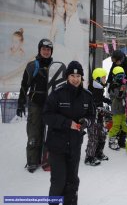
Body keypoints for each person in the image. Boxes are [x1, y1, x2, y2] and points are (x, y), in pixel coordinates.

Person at [43, 60, 95, 205]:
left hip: (75, 144)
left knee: (72, 181)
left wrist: (86, 122)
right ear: (67, 76)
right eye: (72, 75)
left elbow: (92, 115)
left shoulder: (87, 95)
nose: (75, 79)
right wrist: (67, 123)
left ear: (82, 78)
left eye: (78, 76)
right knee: (59, 181)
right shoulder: (57, 93)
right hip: (57, 145)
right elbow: (47, 115)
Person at [16, 38, 53, 173]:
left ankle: (46, 158)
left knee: (49, 132)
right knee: (34, 132)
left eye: (48, 50)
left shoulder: (54, 66)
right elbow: (24, 85)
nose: (46, 52)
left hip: (50, 105)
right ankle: (32, 160)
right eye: (43, 49)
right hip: (36, 104)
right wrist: (21, 102)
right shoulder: (33, 65)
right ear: (39, 50)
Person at [84, 68, 111, 166]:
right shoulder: (91, 89)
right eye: (104, 78)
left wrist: (107, 101)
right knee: (93, 137)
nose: (105, 79)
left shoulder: (99, 88)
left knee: (102, 135)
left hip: (99, 116)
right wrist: (95, 108)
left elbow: (100, 98)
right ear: (98, 78)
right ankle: (89, 157)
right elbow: (89, 102)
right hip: (92, 117)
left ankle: (98, 153)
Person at [108, 66, 127, 150]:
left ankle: (122, 140)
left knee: (125, 125)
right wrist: (121, 88)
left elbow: (125, 95)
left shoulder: (123, 84)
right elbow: (118, 96)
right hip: (116, 109)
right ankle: (111, 141)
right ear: (114, 77)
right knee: (116, 125)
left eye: (122, 76)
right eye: (118, 76)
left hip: (123, 109)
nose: (121, 78)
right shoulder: (113, 86)